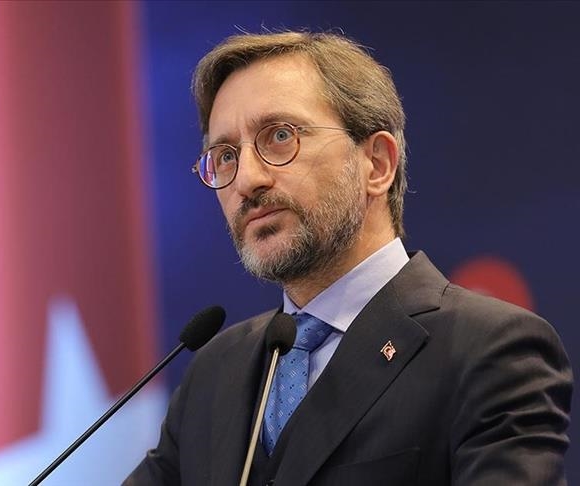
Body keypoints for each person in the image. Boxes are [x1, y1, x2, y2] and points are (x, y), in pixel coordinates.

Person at [125, 30, 572, 485]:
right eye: (225, 156)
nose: (246, 180)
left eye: (279, 136)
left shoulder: (488, 349)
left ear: (376, 163)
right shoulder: (214, 371)